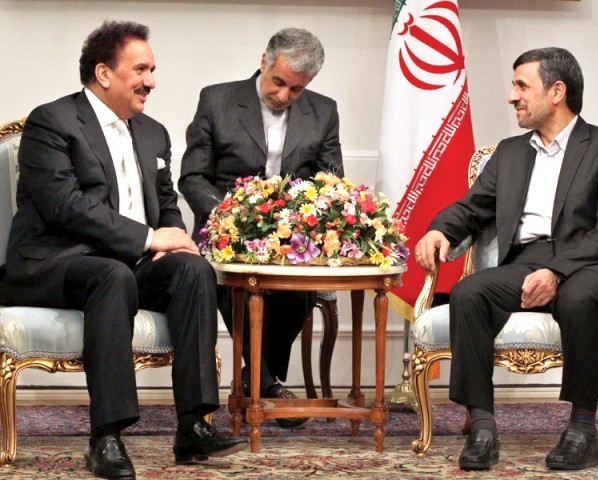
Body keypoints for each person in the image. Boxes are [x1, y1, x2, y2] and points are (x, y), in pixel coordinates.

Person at [0, 21, 247, 479]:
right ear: (104, 73)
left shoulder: (153, 133)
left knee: (194, 270)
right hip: (56, 265)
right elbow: (64, 206)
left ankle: (194, 426)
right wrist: (150, 239)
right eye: (141, 70)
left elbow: (167, 204)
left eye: (152, 70)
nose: (151, 81)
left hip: (126, 264)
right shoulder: (52, 121)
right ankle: (107, 437)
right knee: (110, 275)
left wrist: (174, 241)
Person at [415, 47, 598, 471]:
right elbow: (472, 207)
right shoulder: (511, 153)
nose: (512, 96)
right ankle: (483, 429)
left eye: (522, 86)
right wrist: (440, 229)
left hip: (595, 263)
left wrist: (556, 270)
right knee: (469, 292)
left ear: (557, 92)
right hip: (527, 260)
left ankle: (582, 430)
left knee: (578, 297)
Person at [179, 27, 343, 428]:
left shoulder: (324, 112)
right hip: (227, 231)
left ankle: (257, 376)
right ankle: (267, 385)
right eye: (278, 82)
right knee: (231, 280)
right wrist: (228, 218)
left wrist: (302, 223)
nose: (283, 96)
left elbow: (332, 181)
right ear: (263, 62)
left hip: (291, 240)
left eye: (296, 89)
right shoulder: (217, 100)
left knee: (299, 289)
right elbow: (193, 177)